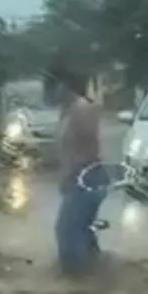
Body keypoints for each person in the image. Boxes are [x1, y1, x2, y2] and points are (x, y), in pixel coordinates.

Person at [52, 66, 106, 277]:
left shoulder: (82, 110)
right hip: (81, 176)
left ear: (67, 87)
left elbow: (89, 146)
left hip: (86, 176)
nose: (54, 91)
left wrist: (74, 174)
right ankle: (96, 271)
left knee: (68, 229)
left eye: (56, 85)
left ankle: (79, 275)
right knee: (79, 228)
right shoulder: (69, 111)